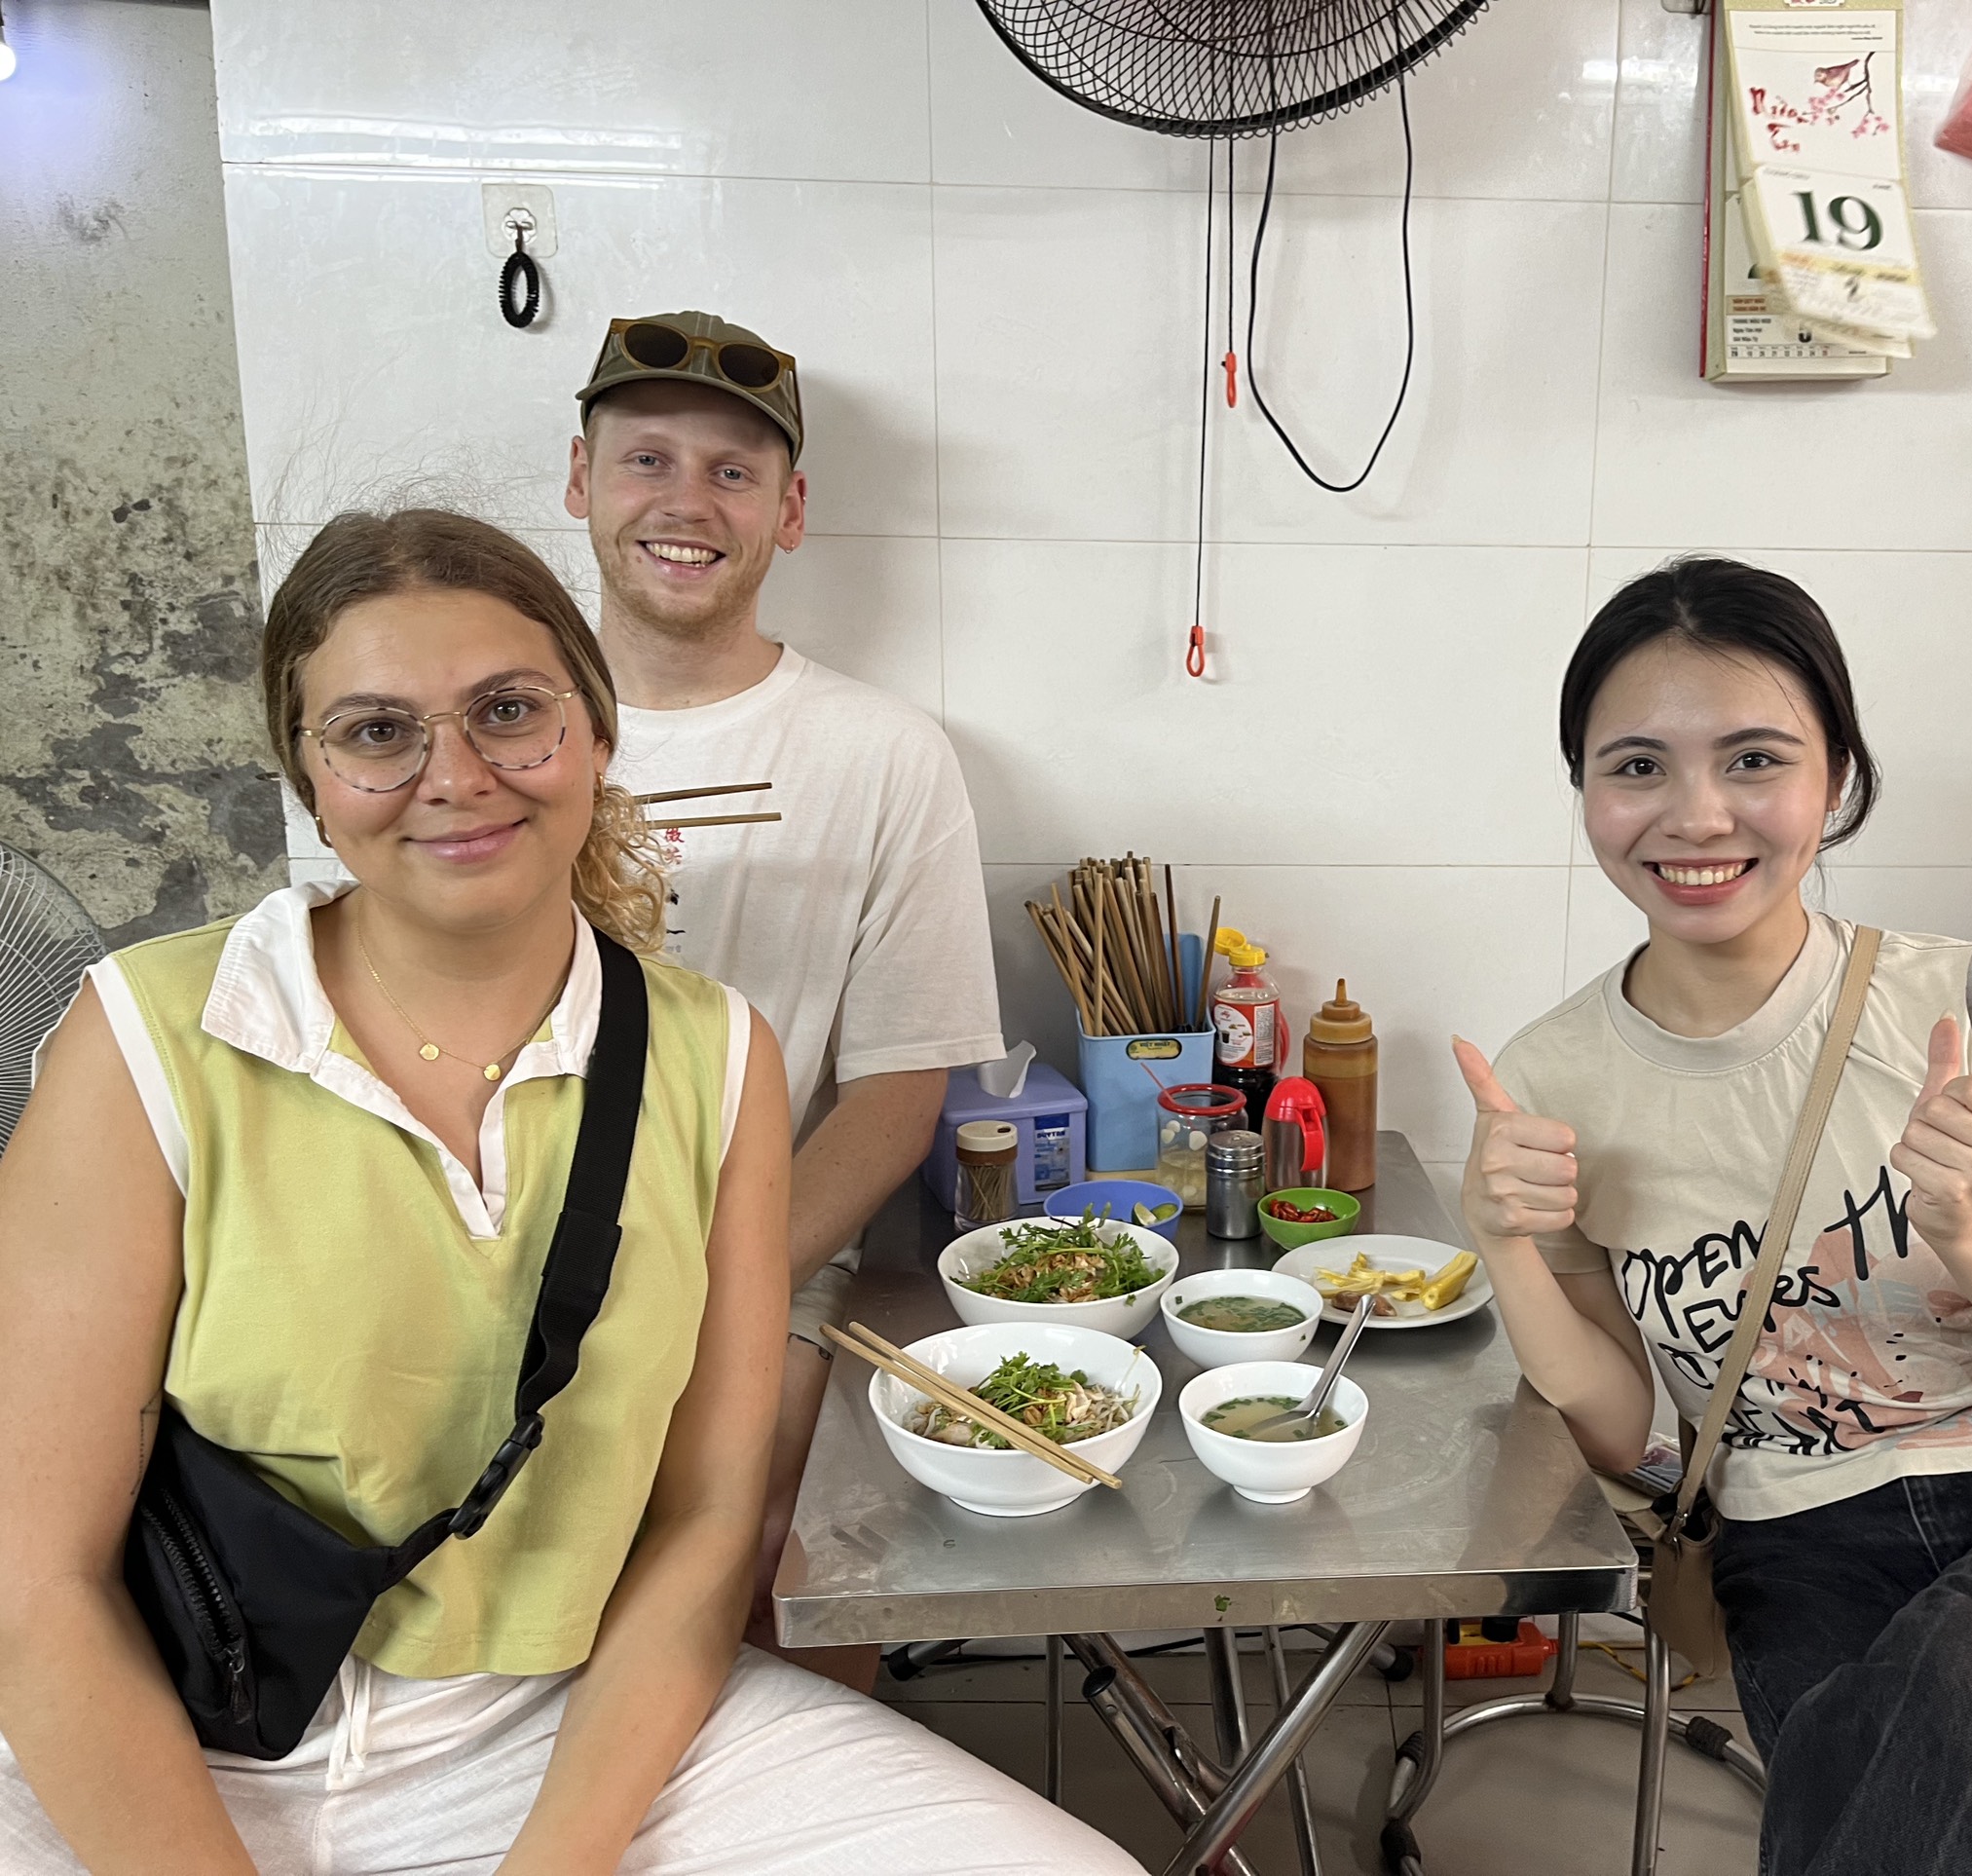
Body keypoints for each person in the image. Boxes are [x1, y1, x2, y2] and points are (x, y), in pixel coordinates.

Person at [0, 509, 1138, 1874]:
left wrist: (562, 1857)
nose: (455, 774)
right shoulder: (148, 1039)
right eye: (376, 730)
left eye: (508, 711)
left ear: (596, 737)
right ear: (311, 773)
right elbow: (37, 1584)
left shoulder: (714, 1058)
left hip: (555, 1724)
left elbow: (708, 1520)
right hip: (172, 1729)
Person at [1453, 558, 1972, 1875]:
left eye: (1755, 757)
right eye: (1636, 765)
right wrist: (1506, 1245)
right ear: (1583, 787)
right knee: (1907, 1783)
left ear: (1837, 780)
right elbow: (1628, 1424)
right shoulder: (1552, 1076)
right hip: (1797, 1533)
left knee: (1938, 1719)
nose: (1696, 815)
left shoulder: (1962, 1012)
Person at [562, 310, 1003, 1677]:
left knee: (763, 1571)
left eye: (733, 472)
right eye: (645, 460)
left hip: (768, 1244)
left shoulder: (883, 755)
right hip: (509, 1234)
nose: (685, 502)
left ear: (789, 512)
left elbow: (897, 1089)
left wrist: (717, 1285)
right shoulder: (502, 728)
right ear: (579, 483)